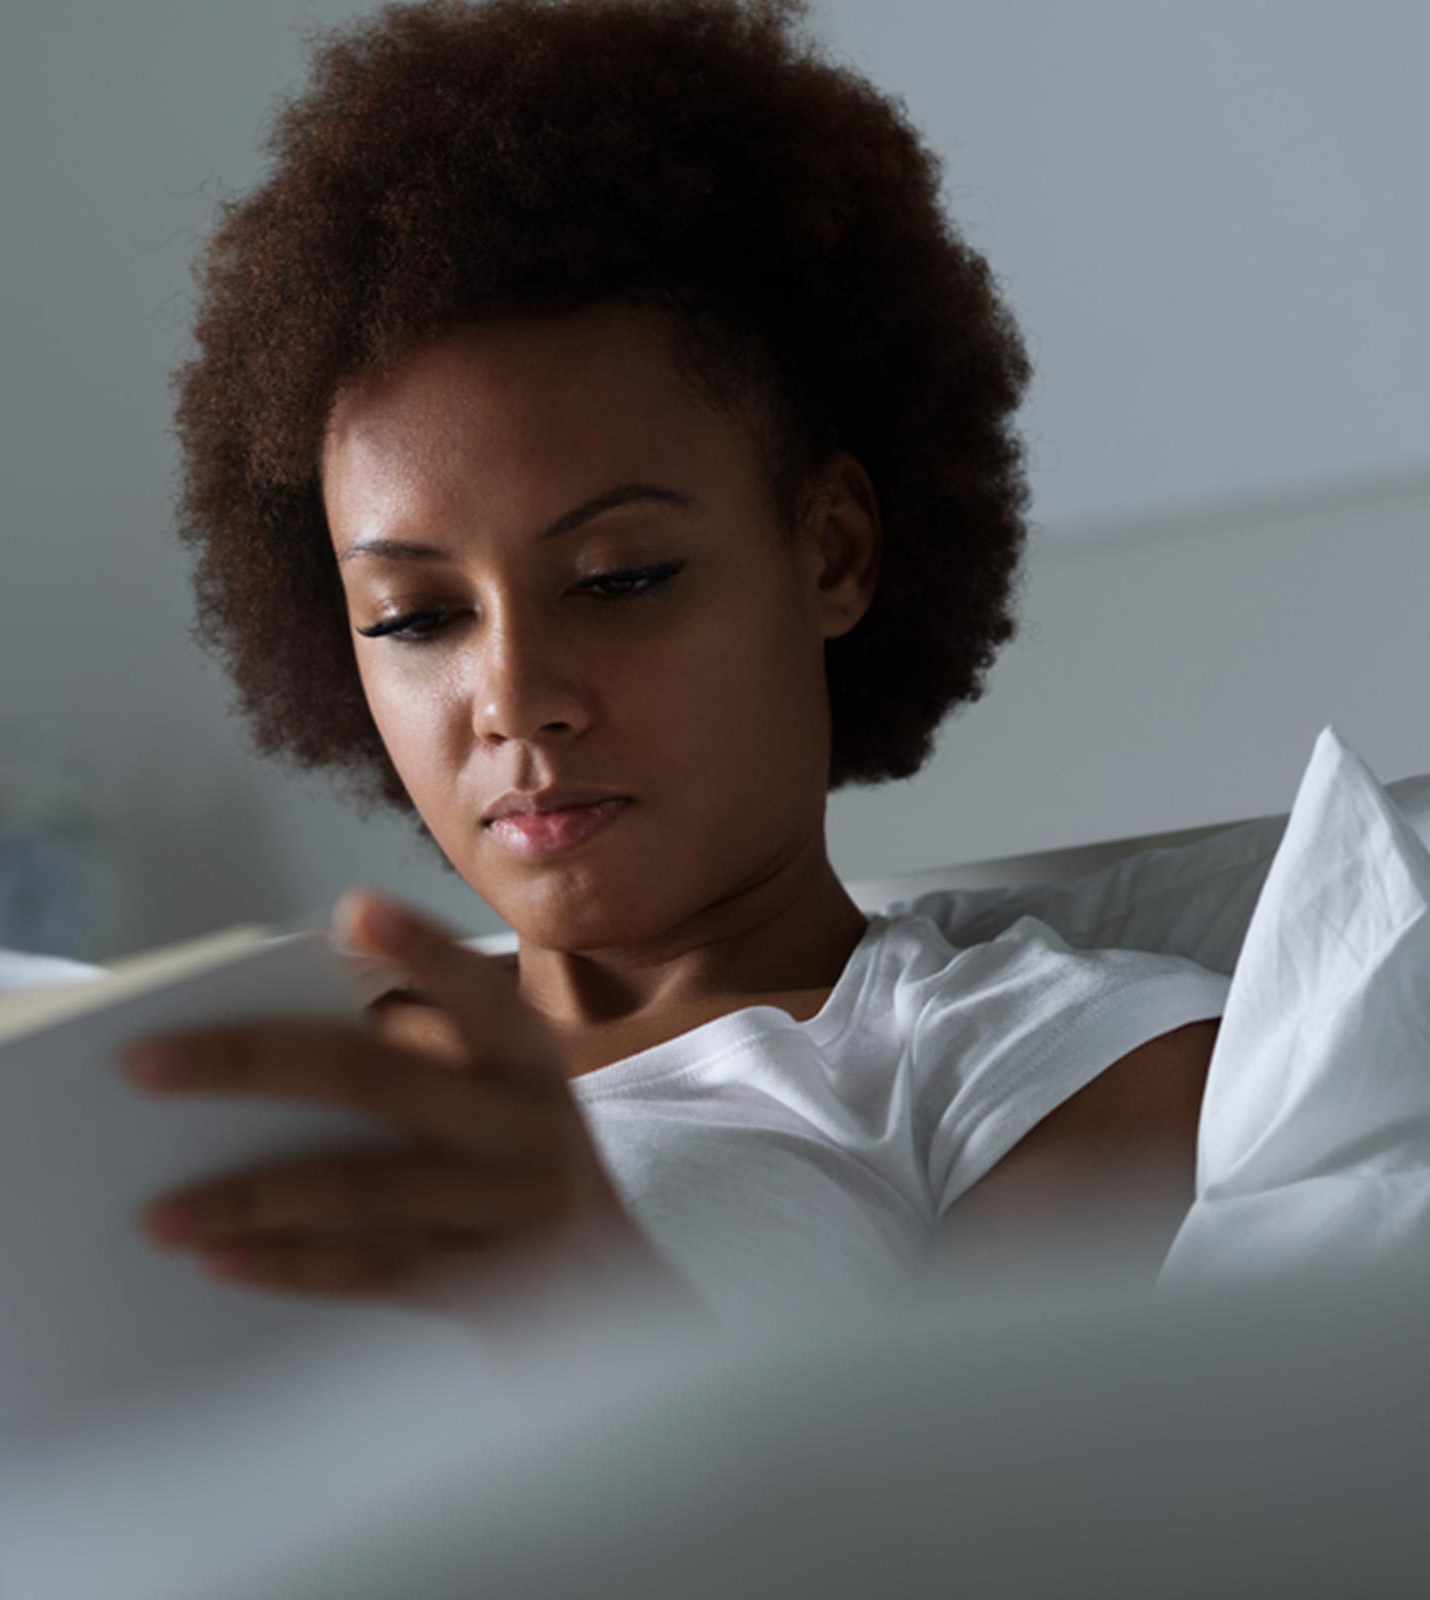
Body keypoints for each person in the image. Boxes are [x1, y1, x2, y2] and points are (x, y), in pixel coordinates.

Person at [123, 0, 1230, 1325]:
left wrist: (585, 1281)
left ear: (831, 554)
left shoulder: (1043, 1064)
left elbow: (992, 1531)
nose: (517, 697)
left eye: (617, 580)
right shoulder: (270, 1067)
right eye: (418, 616)